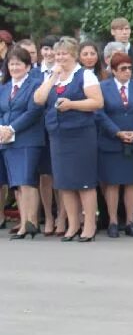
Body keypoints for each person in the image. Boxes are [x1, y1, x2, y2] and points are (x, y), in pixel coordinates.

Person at [32, 37, 104, 242]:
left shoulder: (85, 75)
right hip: (58, 136)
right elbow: (38, 99)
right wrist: (53, 76)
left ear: (73, 54)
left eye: (64, 53)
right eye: (58, 54)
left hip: (81, 135)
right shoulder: (54, 76)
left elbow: (97, 102)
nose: (60, 57)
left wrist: (72, 104)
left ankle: (88, 225)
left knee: (84, 182)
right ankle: (72, 225)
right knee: (64, 183)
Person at [95, 52, 133, 238]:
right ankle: (112, 221)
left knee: (131, 183)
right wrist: (116, 132)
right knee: (112, 183)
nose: (127, 72)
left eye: (129, 68)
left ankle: (130, 221)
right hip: (111, 141)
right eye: (122, 69)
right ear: (114, 71)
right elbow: (99, 113)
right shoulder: (103, 87)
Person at [0, 46, 45, 239]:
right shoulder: (5, 87)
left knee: (27, 181)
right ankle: (24, 222)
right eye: (11, 64)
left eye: (18, 64)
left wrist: (12, 128)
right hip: (7, 140)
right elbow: (2, 112)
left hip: (27, 138)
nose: (15, 67)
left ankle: (30, 223)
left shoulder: (35, 84)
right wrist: (2, 128)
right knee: (17, 184)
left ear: (28, 66)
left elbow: (33, 111)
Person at [35, 35, 60, 235]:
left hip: (59, 128)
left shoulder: (64, 73)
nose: (49, 53)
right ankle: (48, 217)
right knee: (45, 175)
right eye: (45, 49)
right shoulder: (34, 73)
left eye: (52, 49)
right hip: (38, 130)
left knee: (60, 173)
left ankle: (62, 215)